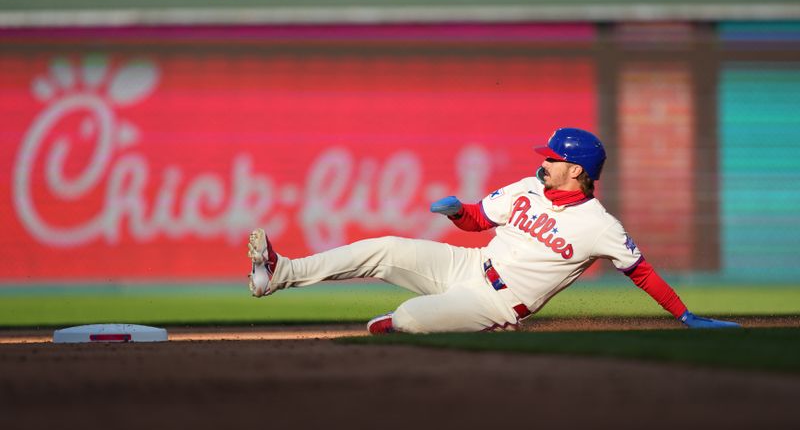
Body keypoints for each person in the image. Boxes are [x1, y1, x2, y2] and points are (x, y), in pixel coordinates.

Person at [247, 128, 740, 334]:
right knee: (384, 247)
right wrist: (456, 212)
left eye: (552, 158)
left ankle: (397, 329)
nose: (543, 162)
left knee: (412, 319)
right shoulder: (528, 187)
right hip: (468, 264)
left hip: (497, 304)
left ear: (577, 170)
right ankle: (280, 270)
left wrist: (685, 315)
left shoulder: (599, 226)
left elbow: (643, 272)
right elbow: (479, 219)